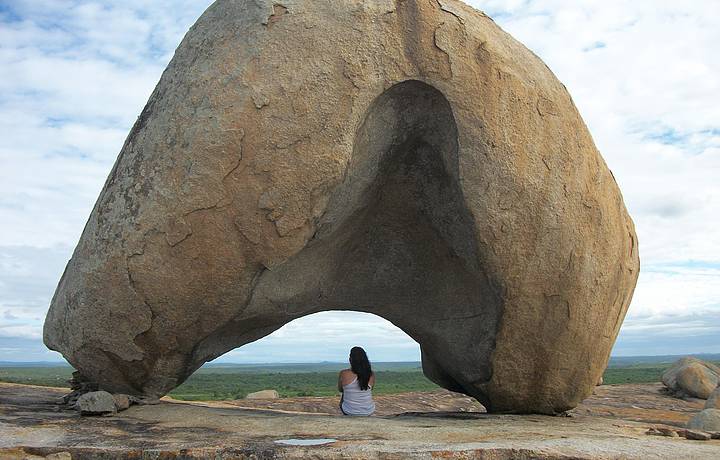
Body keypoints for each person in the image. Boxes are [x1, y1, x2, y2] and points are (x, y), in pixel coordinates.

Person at [338, 346, 376, 416]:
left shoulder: (344, 373)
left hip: (349, 411)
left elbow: (340, 389)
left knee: (344, 393)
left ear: (350, 359)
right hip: (368, 411)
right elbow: (371, 389)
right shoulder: (371, 374)